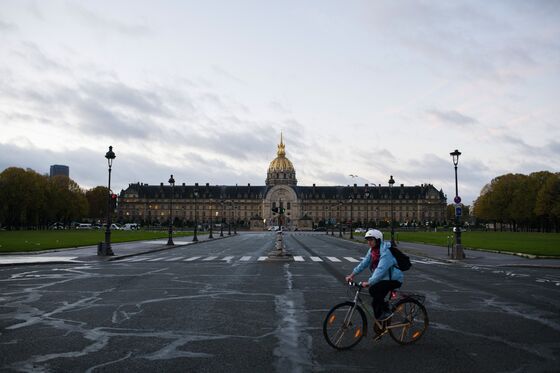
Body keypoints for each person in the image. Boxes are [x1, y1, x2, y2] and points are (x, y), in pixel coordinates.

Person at [345, 229, 403, 321]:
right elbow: (364, 263)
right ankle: (383, 320)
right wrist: (352, 274)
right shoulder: (372, 250)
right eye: (368, 240)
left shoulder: (386, 252)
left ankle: (386, 313)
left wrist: (369, 282)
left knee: (373, 291)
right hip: (383, 278)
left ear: (378, 240)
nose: (369, 242)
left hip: (394, 279)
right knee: (376, 299)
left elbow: (381, 269)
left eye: (371, 240)